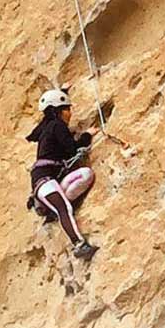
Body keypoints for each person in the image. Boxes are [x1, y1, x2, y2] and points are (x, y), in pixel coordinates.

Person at [26, 88, 98, 261]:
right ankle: (79, 244)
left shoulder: (48, 127)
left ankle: (49, 207)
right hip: (44, 181)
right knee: (64, 208)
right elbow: (72, 150)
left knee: (86, 174)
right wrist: (86, 136)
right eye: (66, 109)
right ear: (58, 111)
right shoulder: (57, 126)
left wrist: (62, 91)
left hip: (54, 180)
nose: (70, 113)